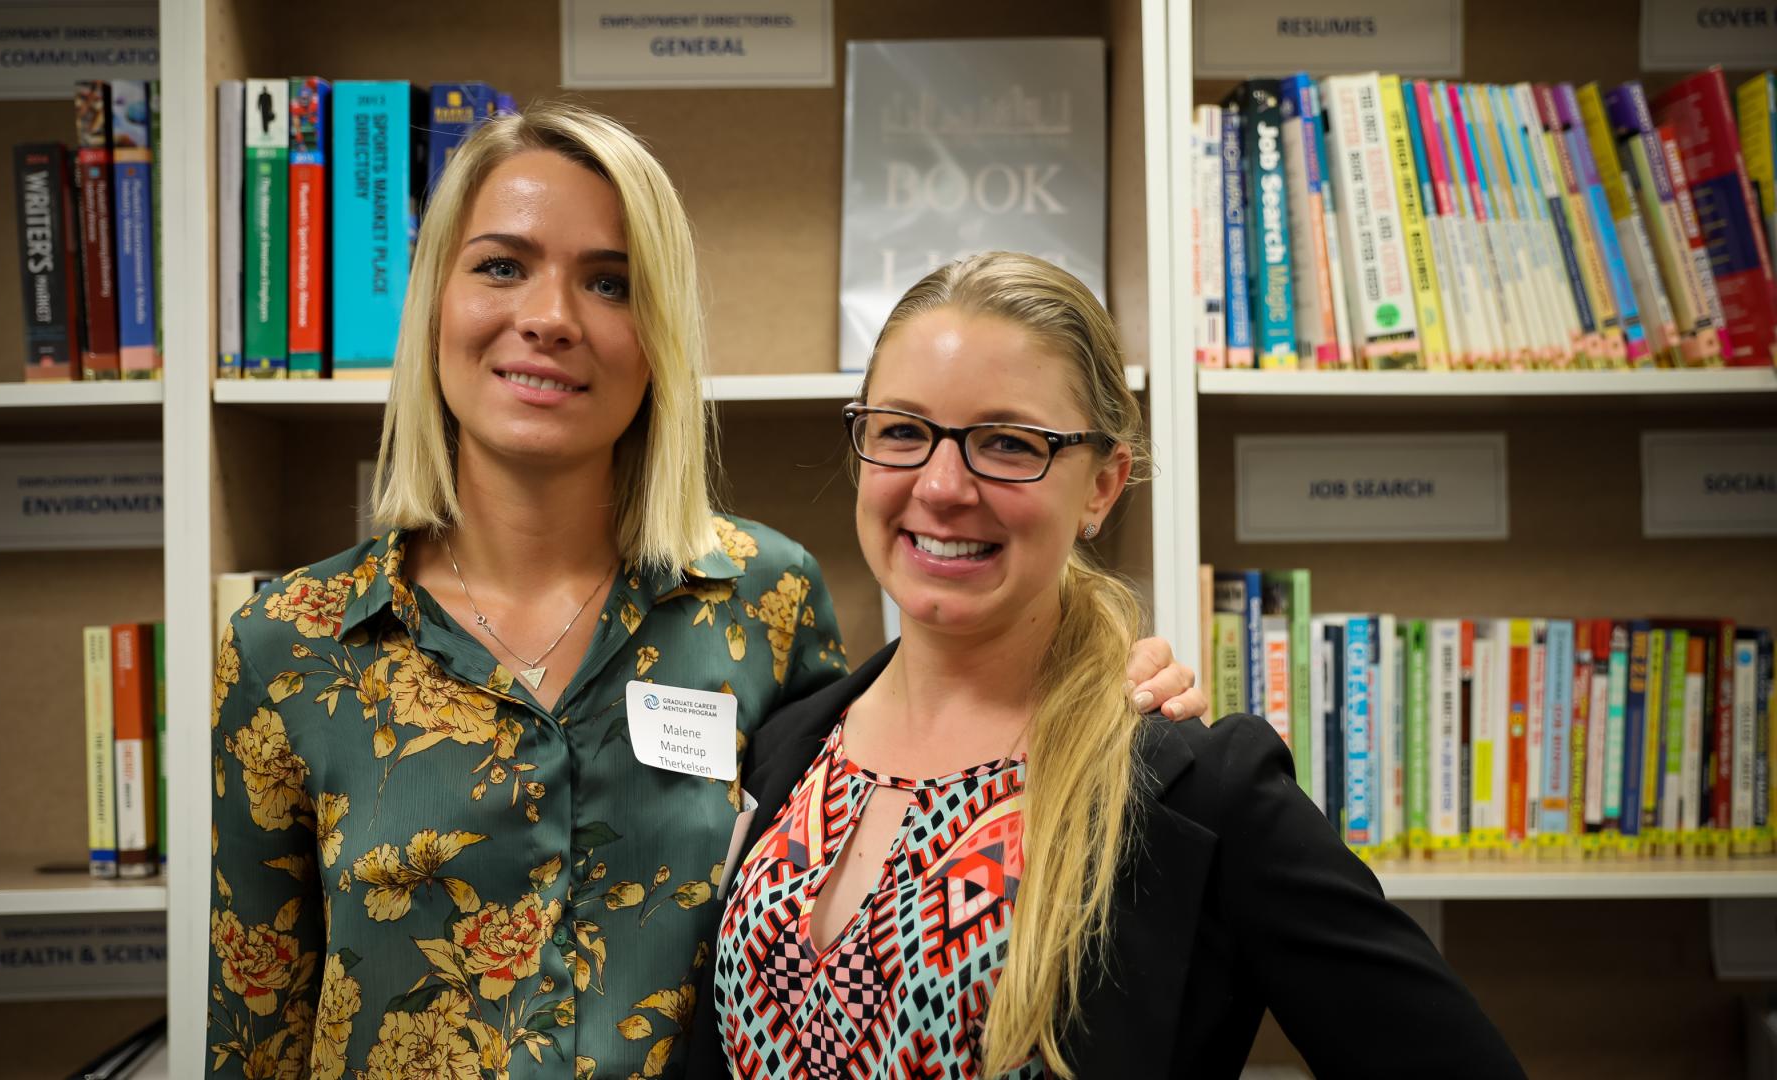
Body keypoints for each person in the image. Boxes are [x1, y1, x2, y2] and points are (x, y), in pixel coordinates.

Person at [207, 104, 1205, 1079]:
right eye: (502, 266)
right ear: (432, 305)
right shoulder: (288, 645)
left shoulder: (764, 602)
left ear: (658, 336)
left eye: (609, 282)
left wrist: (1106, 681)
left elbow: (928, 770)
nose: (549, 318)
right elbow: (254, 1033)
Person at [691, 253, 1525, 1080]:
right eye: (903, 431)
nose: (942, 486)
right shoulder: (787, 744)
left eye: (1009, 444)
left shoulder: (1194, 789)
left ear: (1101, 487)